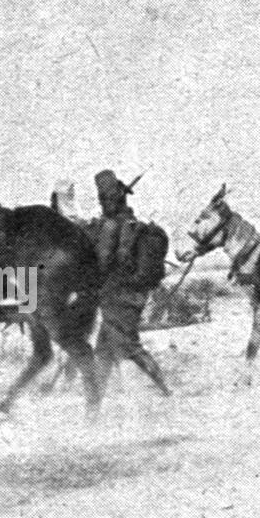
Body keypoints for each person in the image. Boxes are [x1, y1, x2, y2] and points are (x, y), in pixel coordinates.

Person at [88, 169, 170, 396]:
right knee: (103, 352)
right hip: (131, 296)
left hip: (118, 298)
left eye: (104, 198)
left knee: (131, 348)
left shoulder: (111, 226)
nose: (103, 203)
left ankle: (167, 392)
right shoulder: (134, 225)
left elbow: (102, 263)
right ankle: (93, 406)